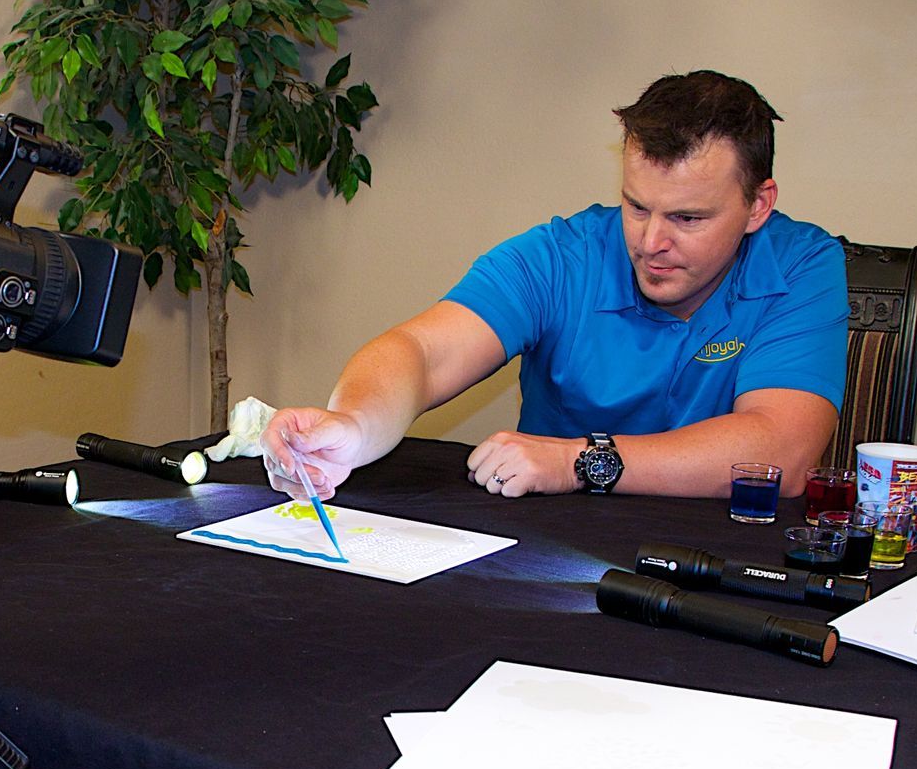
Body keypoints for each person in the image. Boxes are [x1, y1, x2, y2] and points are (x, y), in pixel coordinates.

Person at [262, 70, 847, 500]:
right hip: (552, 541)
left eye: (688, 219)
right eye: (636, 206)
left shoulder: (804, 263)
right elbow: (420, 351)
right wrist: (354, 426)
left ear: (757, 206)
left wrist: (580, 461)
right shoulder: (562, 256)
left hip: (717, 557)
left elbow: (781, 453)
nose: (650, 241)